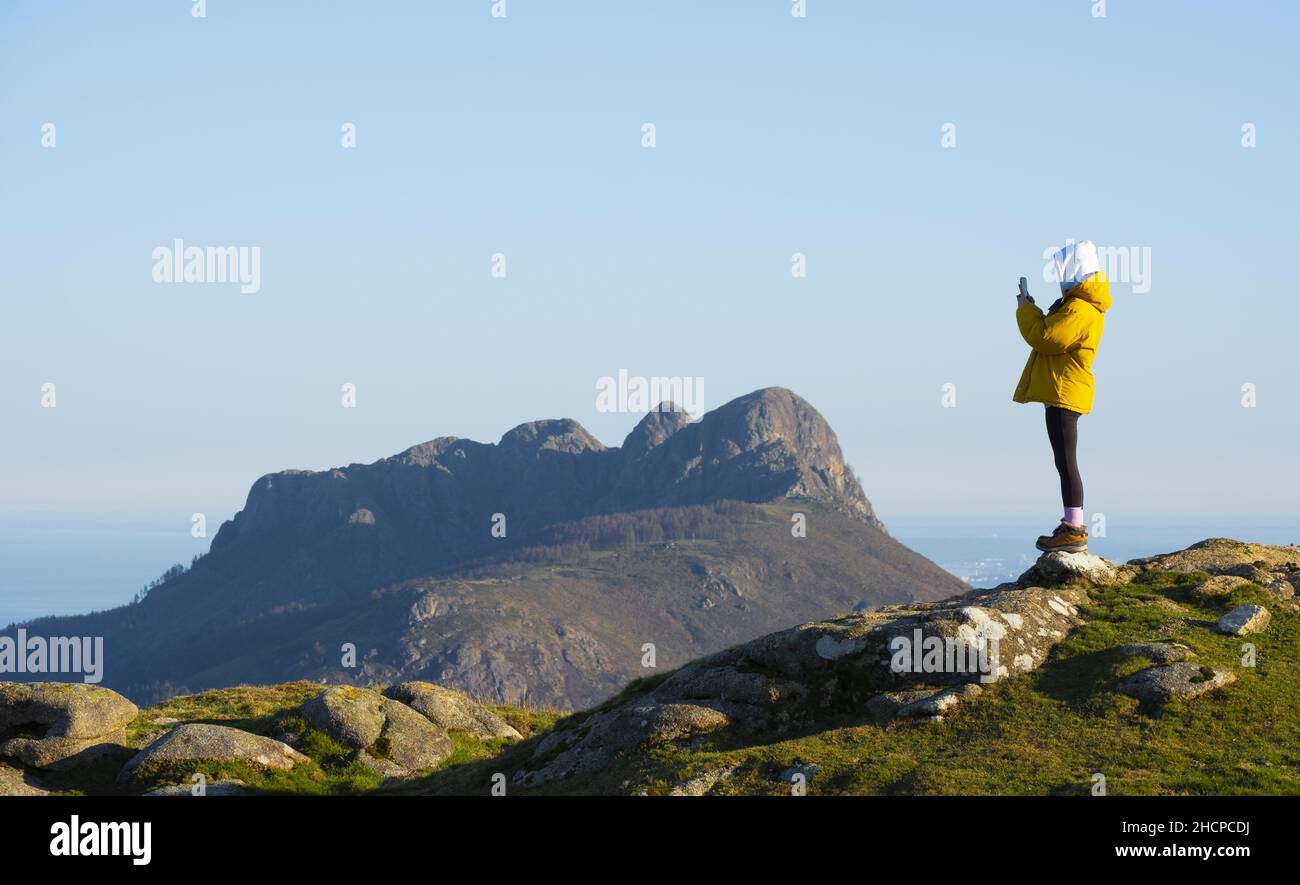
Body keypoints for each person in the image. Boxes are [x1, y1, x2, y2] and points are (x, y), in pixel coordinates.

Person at [1014, 240, 1112, 553]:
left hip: (1065, 392)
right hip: (1063, 390)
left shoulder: (1080, 309)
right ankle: (1072, 525)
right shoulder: (1079, 305)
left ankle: (1073, 529)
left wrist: (1025, 310)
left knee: (1067, 463)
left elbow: (1046, 336)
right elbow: (1051, 332)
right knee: (1064, 461)